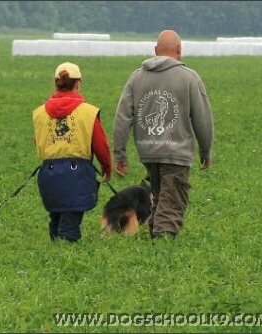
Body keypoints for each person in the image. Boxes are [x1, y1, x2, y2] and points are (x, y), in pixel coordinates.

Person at [113, 29, 214, 239]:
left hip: (148, 152)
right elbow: (203, 118)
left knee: (159, 199)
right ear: (179, 50)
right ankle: (162, 247)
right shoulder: (189, 78)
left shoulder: (136, 78)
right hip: (176, 153)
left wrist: (120, 155)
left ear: (156, 50)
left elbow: (122, 117)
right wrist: (206, 150)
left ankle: (155, 243)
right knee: (173, 201)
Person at [32, 62, 112, 242]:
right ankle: (65, 258)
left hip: (49, 174)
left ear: (56, 83)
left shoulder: (39, 113)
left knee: (56, 217)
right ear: (78, 84)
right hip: (77, 175)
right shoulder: (88, 112)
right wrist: (107, 167)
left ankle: (55, 257)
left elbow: (37, 140)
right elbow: (101, 145)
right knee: (70, 225)